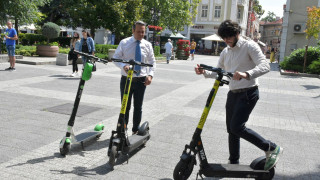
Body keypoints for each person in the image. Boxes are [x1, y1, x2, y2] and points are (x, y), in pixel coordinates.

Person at [194, 20, 283, 171]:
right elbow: (219, 71)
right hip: (233, 93)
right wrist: (204, 72)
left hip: (248, 92)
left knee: (237, 127)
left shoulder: (249, 46)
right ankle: (233, 161)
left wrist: (247, 73)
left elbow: (265, 65)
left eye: (229, 37)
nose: (227, 41)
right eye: (224, 38)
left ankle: (271, 147)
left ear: (237, 33)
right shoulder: (226, 51)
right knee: (231, 129)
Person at [113, 20, 156, 135]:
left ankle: (135, 130)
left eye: (143, 32)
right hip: (126, 79)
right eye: (138, 32)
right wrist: (123, 66)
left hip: (141, 80)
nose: (141, 34)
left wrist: (150, 75)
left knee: (138, 107)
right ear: (133, 31)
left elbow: (152, 61)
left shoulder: (147, 45)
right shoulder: (124, 42)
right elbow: (116, 58)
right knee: (125, 106)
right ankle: (123, 129)